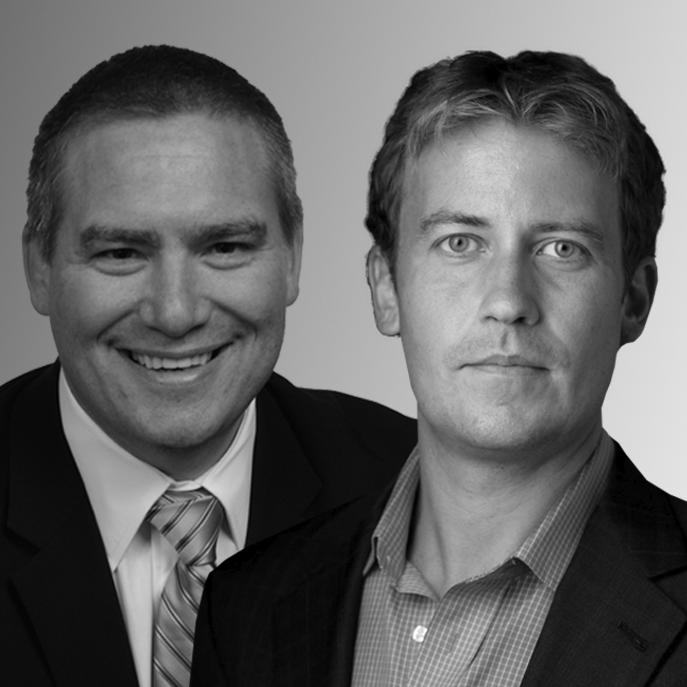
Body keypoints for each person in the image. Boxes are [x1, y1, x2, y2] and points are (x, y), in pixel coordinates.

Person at [192, 50, 687, 686]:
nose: (508, 300)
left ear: (634, 301)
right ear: (386, 290)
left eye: (561, 248)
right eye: (460, 243)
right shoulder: (246, 607)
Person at [0, 45, 415, 687]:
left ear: (292, 256)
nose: (175, 313)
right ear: (39, 268)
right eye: (120, 253)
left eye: (224, 247)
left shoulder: (416, 489)